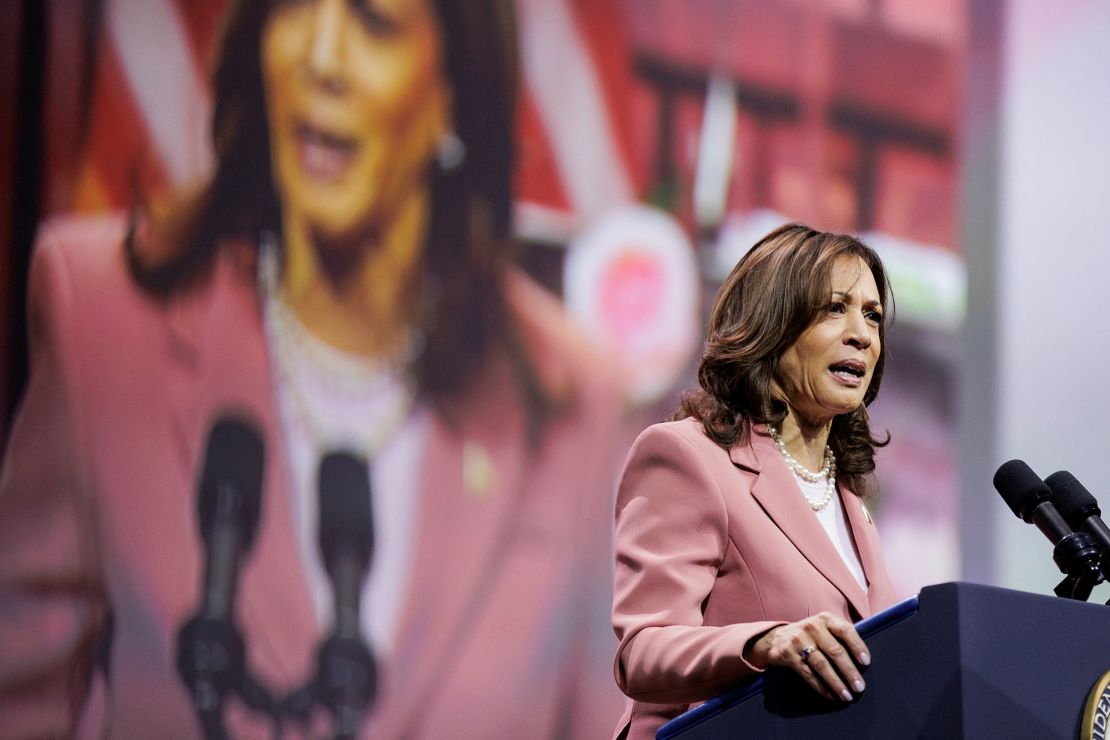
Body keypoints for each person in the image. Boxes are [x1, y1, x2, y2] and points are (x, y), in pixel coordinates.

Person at [0, 0, 624, 736]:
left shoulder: (571, 403)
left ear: (454, 88)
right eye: (293, 8)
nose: (321, 59)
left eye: (373, 24)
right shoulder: (101, 324)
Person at [609, 223, 899, 739]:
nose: (862, 333)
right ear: (773, 323)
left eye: (873, 316)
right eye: (835, 308)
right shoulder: (688, 456)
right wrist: (765, 643)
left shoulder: (851, 498)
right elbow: (642, 651)